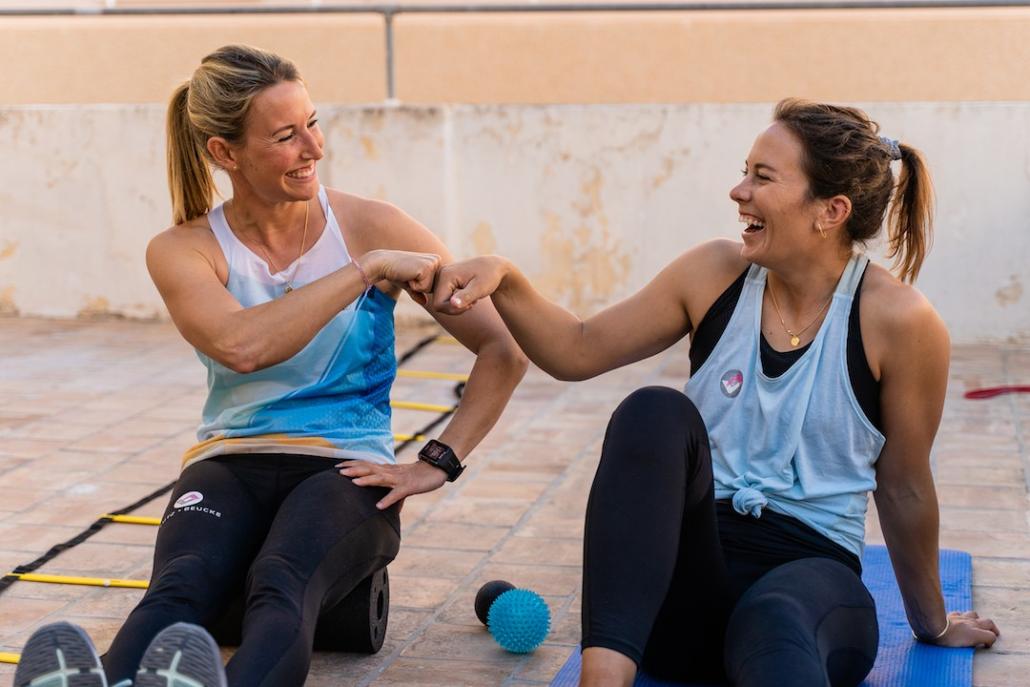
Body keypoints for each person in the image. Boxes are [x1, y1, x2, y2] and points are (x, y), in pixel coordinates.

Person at [430, 99, 1000, 686]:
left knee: (773, 617)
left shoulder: (901, 321)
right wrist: (504, 277)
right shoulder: (712, 274)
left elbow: (904, 486)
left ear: (830, 211)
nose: (738, 191)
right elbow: (575, 350)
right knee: (653, 409)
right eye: (744, 171)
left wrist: (931, 625)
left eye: (763, 177)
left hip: (812, 589)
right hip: (689, 599)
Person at [14, 44, 526, 687]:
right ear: (225, 152)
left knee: (282, 584)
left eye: (313, 122)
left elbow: (503, 349)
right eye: (286, 136)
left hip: (344, 468)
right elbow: (243, 345)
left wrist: (436, 462)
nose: (314, 148)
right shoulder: (184, 249)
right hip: (228, 462)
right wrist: (364, 270)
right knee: (177, 590)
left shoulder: (373, 224)